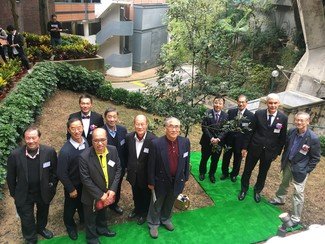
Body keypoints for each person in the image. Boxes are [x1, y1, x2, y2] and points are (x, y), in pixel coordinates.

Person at [6, 126, 58, 243]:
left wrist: (51, 187)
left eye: (33, 138)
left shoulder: (49, 152)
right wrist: (14, 193)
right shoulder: (15, 155)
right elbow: (10, 177)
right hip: (24, 193)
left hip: (43, 191)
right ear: (24, 139)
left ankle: (41, 228)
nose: (31, 141)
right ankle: (30, 237)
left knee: (43, 212)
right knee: (27, 218)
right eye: (28, 138)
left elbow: (54, 172)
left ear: (39, 138)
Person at [268, 112, 321, 225]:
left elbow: (316, 158)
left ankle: (296, 218)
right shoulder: (292, 131)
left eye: (301, 120)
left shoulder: (313, 138)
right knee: (284, 183)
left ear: (308, 121)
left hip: (301, 169)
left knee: (298, 193)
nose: (298, 122)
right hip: (288, 163)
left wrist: (306, 170)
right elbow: (287, 146)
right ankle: (279, 199)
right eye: (297, 120)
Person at [238, 93, 288, 203]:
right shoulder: (259, 114)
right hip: (254, 148)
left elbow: (282, 138)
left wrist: (277, 153)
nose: (272, 105)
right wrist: (245, 147)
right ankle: (243, 189)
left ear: (278, 104)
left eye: (275, 103)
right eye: (270, 103)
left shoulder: (283, 118)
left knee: (263, 173)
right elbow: (250, 131)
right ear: (267, 103)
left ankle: (257, 191)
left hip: (269, 152)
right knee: (247, 170)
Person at [147, 117, 190, 239]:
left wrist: (186, 176)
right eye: (171, 126)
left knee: (170, 201)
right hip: (160, 180)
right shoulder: (156, 143)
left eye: (177, 126)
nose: (174, 129)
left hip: (177, 179)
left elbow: (187, 159)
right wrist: (151, 181)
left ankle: (165, 219)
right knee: (157, 202)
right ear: (166, 127)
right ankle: (153, 223)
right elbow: (151, 164)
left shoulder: (185, 142)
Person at [79, 128, 121, 244]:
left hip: (107, 192)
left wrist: (112, 190)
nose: (100, 143)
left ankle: (102, 229)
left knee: (103, 213)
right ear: (92, 141)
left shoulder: (113, 150)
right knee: (90, 217)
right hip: (91, 195)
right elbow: (85, 179)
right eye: (96, 140)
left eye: (103, 140)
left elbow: (118, 169)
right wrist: (100, 195)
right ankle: (91, 238)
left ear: (107, 139)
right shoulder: (84, 157)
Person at [57, 118, 89, 240]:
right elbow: (61, 173)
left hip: (84, 184)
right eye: (73, 128)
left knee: (82, 203)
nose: (77, 131)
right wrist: (70, 189)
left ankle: (83, 220)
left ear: (82, 127)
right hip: (73, 186)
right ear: (68, 130)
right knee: (70, 208)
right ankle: (70, 226)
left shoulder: (85, 141)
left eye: (79, 127)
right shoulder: (65, 151)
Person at [125, 114, 156, 225]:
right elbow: (126, 154)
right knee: (135, 193)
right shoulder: (129, 137)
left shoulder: (153, 140)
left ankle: (144, 213)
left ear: (146, 124)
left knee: (145, 195)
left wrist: (152, 179)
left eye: (142, 124)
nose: (140, 127)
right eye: (137, 124)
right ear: (134, 124)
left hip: (146, 177)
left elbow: (154, 162)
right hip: (133, 174)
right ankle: (137, 209)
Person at [220, 94, 254, 182]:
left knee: (237, 160)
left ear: (246, 103)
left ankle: (234, 174)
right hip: (229, 141)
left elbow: (249, 133)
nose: (241, 104)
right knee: (226, 157)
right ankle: (225, 172)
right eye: (239, 102)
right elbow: (226, 127)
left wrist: (245, 147)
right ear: (237, 102)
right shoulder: (231, 112)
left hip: (240, 143)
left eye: (243, 102)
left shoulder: (250, 116)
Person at [102, 108, 127, 215]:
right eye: (109, 117)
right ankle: (104, 206)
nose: (112, 119)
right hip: (105, 167)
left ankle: (114, 204)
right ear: (105, 118)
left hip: (119, 166)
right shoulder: (101, 132)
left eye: (114, 117)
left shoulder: (123, 130)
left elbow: (126, 148)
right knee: (104, 187)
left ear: (117, 117)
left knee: (117, 185)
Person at [199, 95, 228, 183]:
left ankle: (212, 174)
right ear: (213, 103)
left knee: (215, 160)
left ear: (223, 105)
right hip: (207, 141)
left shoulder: (226, 116)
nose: (217, 105)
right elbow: (204, 127)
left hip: (218, 143)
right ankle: (202, 172)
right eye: (216, 103)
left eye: (220, 103)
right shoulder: (207, 113)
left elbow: (226, 129)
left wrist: (218, 139)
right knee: (204, 158)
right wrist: (211, 138)